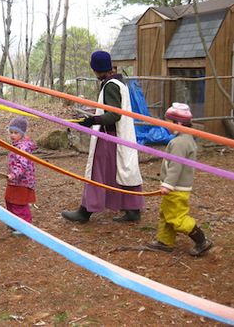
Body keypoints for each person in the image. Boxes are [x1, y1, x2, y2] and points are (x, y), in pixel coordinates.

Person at [62, 50, 144, 223]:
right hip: (116, 135)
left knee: (96, 172)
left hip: (110, 136)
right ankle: (133, 209)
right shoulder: (118, 82)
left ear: (97, 69)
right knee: (122, 170)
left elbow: (114, 115)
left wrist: (92, 120)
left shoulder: (111, 85)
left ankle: (85, 211)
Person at [148, 103, 213, 256]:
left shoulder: (179, 143)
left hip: (176, 189)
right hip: (176, 188)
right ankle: (165, 241)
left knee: (177, 218)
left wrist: (168, 185)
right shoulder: (186, 139)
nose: (166, 126)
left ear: (178, 123)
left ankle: (201, 241)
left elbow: (175, 166)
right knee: (166, 214)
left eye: (168, 122)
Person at [5, 116, 37, 236]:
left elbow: (22, 164)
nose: (12, 135)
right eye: (11, 132)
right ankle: (15, 222)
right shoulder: (16, 144)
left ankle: (25, 225)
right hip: (14, 181)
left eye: (16, 133)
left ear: (22, 133)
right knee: (9, 200)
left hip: (22, 181)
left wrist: (14, 174)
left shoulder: (23, 147)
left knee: (19, 203)